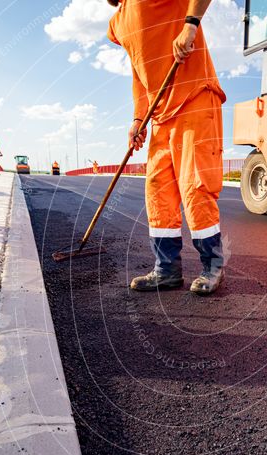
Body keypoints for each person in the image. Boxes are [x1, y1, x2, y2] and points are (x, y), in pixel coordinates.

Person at [107, 0, 226, 296]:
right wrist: (138, 118)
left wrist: (190, 24)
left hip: (194, 97)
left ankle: (212, 265)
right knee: (158, 191)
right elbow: (138, 73)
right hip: (159, 114)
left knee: (195, 185)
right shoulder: (117, 24)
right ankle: (167, 269)